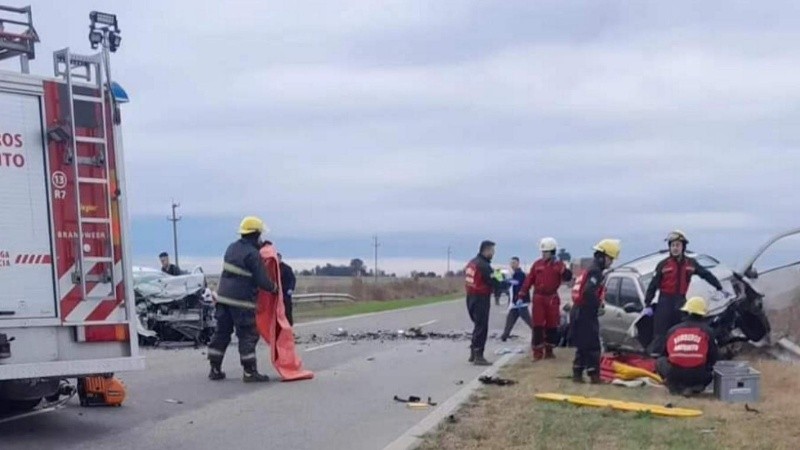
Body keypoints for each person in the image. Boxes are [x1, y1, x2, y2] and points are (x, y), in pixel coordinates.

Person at [207, 216, 279, 382]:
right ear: (255, 234)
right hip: (241, 302)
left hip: (223, 300)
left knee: (221, 333)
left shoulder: (231, 248)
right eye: (259, 235)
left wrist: (261, 247)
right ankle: (249, 372)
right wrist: (274, 287)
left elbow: (242, 259)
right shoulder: (253, 254)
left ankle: (215, 369)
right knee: (247, 335)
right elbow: (262, 280)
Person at [643, 230, 729, 356]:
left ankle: (679, 359)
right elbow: (653, 285)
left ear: (683, 247)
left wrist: (719, 287)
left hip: (681, 301)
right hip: (664, 302)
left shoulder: (691, 263)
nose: (675, 248)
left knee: (680, 333)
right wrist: (647, 304)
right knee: (660, 335)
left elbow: (706, 274)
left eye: (678, 245)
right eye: (672, 246)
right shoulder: (663, 265)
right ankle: (656, 363)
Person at [571, 239, 620, 383]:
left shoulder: (591, 268)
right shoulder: (595, 272)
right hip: (585, 313)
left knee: (583, 345)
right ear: (603, 256)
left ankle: (578, 373)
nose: (611, 263)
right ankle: (593, 375)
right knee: (593, 346)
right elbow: (588, 292)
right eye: (610, 259)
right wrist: (597, 305)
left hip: (580, 311)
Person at [518, 237, 573, 360]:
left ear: (552, 252)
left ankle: (549, 350)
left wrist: (562, 267)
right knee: (537, 325)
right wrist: (522, 294)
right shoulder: (537, 264)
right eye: (542, 252)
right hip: (538, 297)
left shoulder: (559, 265)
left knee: (552, 325)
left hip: (552, 297)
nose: (543, 254)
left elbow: (568, 277)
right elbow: (529, 280)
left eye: (546, 252)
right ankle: (537, 352)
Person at [657, 296, 719, 396]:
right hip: (699, 375)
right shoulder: (708, 331)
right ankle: (694, 386)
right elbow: (714, 357)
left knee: (660, 361)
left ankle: (674, 385)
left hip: (675, 374)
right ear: (703, 314)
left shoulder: (673, 330)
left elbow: (664, 354)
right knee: (709, 370)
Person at [465, 240, 501, 366]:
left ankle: (473, 352)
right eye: (492, 251)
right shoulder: (483, 265)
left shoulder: (472, 262)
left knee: (477, 325)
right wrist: (504, 280)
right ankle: (478, 355)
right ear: (486, 250)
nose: (493, 253)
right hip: (480, 298)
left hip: (470, 296)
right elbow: (495, 281)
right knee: (482, 327)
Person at [500, 257, 533, 342]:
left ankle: (538, 333)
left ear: (518, 263)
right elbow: (509, 285)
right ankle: (505, 335)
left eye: (514, 262)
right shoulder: (514, 274)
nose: (512, 264)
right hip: (514, 302)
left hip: (521, 301)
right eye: (511, 263)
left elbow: (517, 282)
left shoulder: (520, 274)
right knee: (510, 318)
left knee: (527, 319)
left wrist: (507, 280)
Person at [278, 253, 297, 326]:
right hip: (276, 294)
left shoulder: (286, 268)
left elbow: (292, 279)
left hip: (285, 293)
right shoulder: (272, 268)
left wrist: (291, 288)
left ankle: (289, 328)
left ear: (280, 258)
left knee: (287, 311)